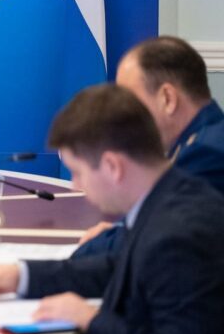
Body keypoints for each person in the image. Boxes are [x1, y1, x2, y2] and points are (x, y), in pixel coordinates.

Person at [0, 84, 224, 334]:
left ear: (113, 166)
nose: (75, 185)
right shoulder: (169, 196)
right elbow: (117, 268)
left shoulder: (176, 234)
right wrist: (22, 276)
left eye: (77, 172)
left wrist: (89, 318)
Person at [72, 36, 224, 258]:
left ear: (167, 99)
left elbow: (151, 239)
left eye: (130, 102)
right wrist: (118, 231)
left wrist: (95, 246)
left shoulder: (205, 155)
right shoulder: (200, 140)